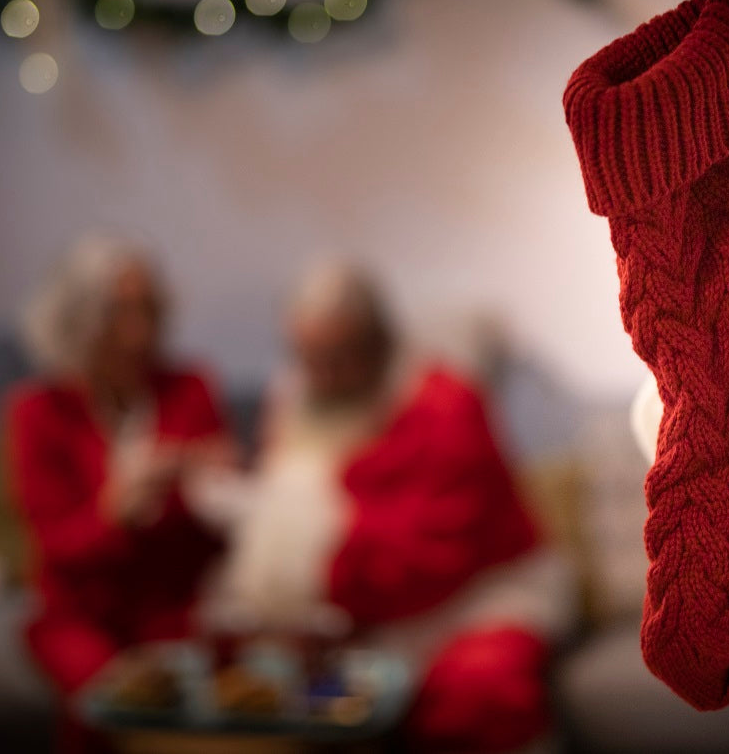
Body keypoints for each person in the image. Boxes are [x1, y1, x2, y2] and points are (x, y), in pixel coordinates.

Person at [205, 261, 574, 753]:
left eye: (341, 356)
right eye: (310, 358)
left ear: (378, 341)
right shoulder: (293, 402)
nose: (326, 375)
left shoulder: (445, 402)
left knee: (474, 697)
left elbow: (438, 552)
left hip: (477, 600)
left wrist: (332, 596)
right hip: (355, 616)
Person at [3, 234, 235, 750]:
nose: (140, 330)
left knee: (220, 706)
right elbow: (56, 548)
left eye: (148, 308)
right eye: (120, 312)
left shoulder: (190, 388)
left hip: (176, 606)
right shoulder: (37, 412)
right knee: (115, 706)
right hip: (84, 614)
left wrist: (219, 488)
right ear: (79, 320)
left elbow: (216, 535)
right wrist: (116, 512)